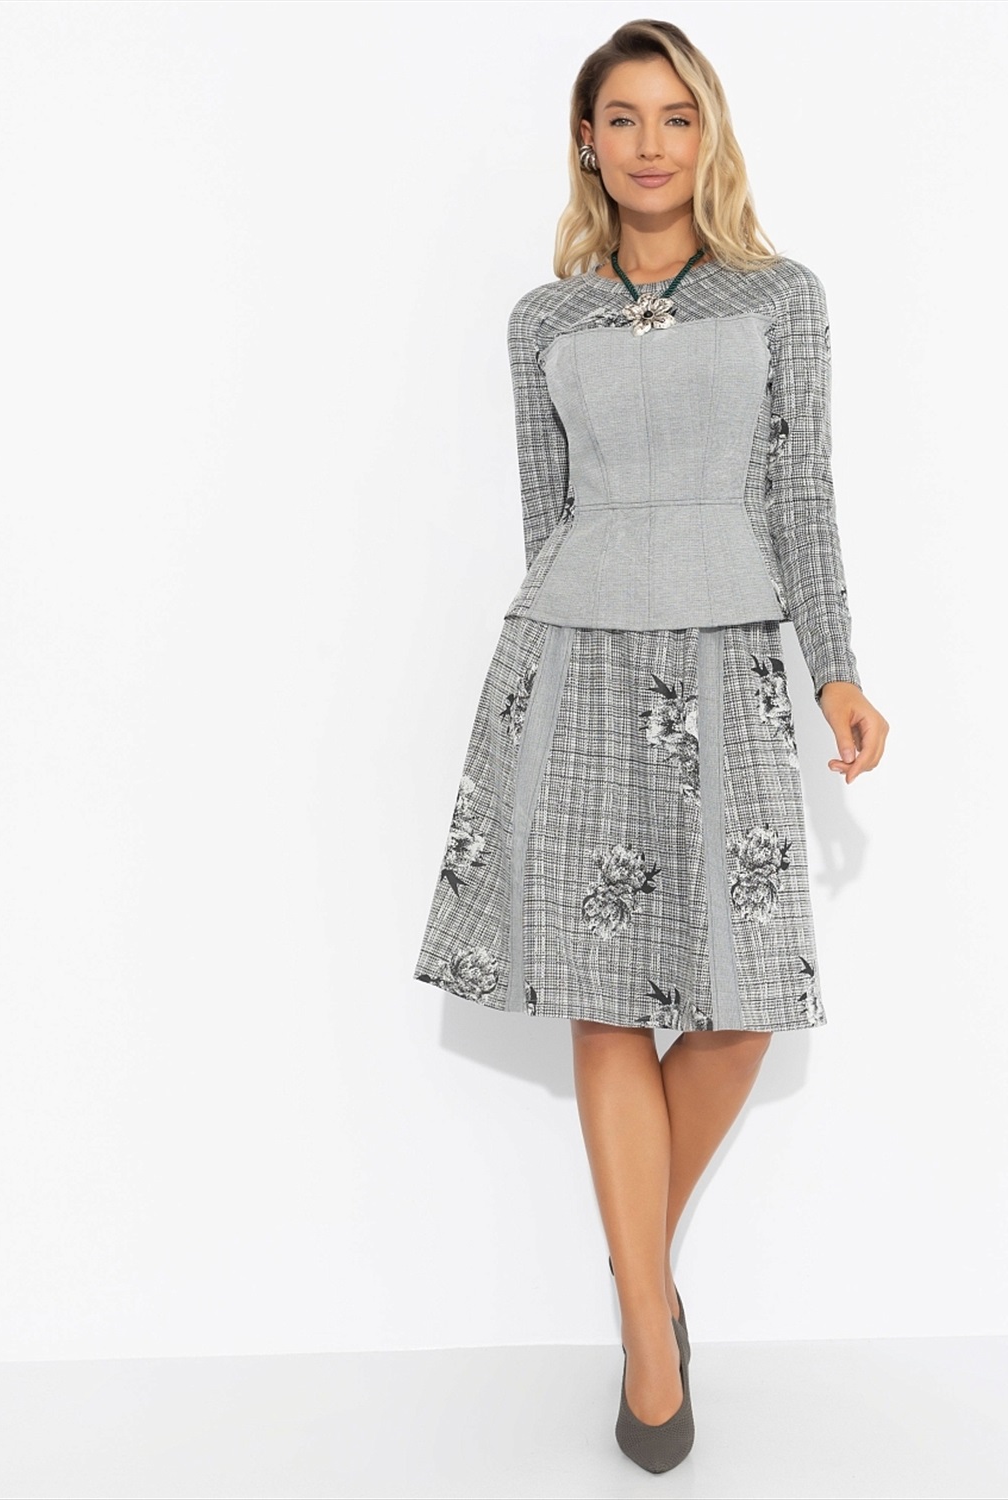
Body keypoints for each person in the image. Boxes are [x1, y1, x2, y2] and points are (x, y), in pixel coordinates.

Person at [414, 18, 889, 1473]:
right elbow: (543, 515)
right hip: (572, 663)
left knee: (741, 1005)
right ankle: (647, 1333)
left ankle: (637, 1278)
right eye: (621, 118)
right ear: (587, 140)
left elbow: (800, 495)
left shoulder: (780, 296)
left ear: (709, 134)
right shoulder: (542, 321)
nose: (649, 144)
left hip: (731, 661)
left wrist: (837, 670)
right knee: (606, 1001)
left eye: (675, 117)